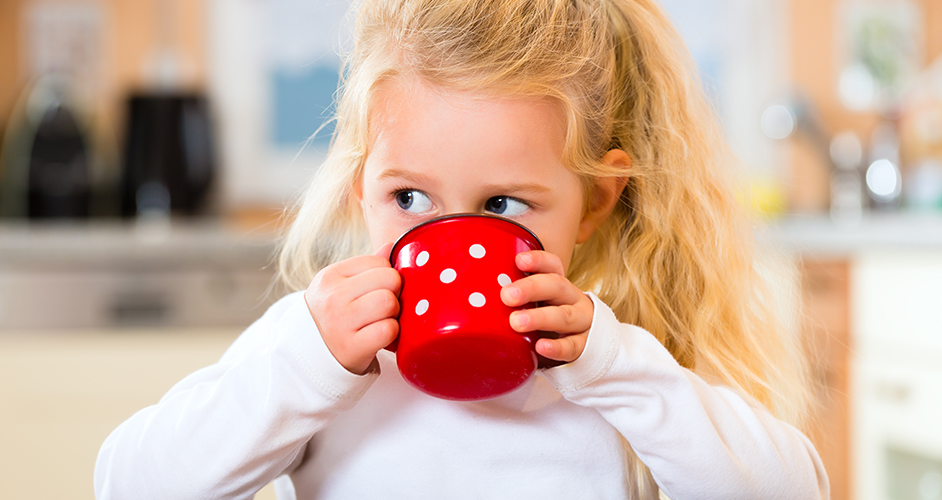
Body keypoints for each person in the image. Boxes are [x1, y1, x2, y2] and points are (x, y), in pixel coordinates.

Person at [95, 0, 829, 498]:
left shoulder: (610, 366)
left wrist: (613, 366)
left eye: (502, 205)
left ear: (593, 204)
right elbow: (128, 483)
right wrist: (302, 365)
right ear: (361, 187)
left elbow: (792, 488)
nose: (447, 236)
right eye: (408, 198)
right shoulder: (315, 358)